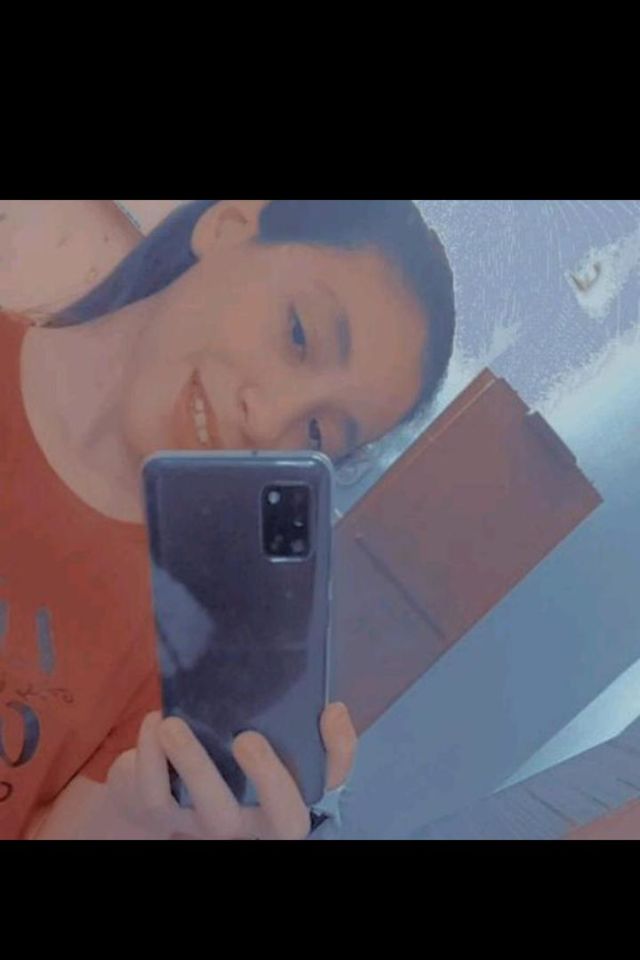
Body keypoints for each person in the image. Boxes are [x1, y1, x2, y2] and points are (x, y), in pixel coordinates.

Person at [0, 199, 456, 840]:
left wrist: (136, 818)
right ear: (227, 226)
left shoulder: (193, 628)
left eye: (317, 432)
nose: (268, 422)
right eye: (298, 334)